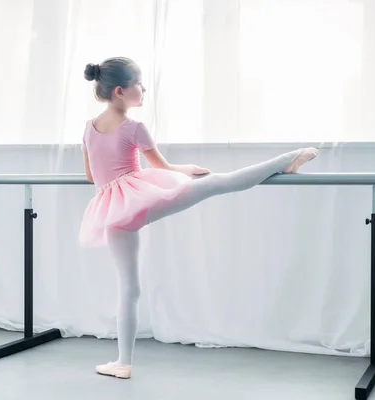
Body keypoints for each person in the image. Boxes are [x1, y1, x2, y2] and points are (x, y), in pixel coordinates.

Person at [79, 57, 318, 379]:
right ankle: (287, 160)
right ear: (121, 91)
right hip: (135, 200)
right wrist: (185, 170)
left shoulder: (88, 128)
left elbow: (91, 175)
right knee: (217, 183)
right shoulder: (134, 127)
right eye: (139, 83)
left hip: (109, 210)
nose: (144, 88)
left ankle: (122, 363)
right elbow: (162, 168)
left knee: (128, 288)